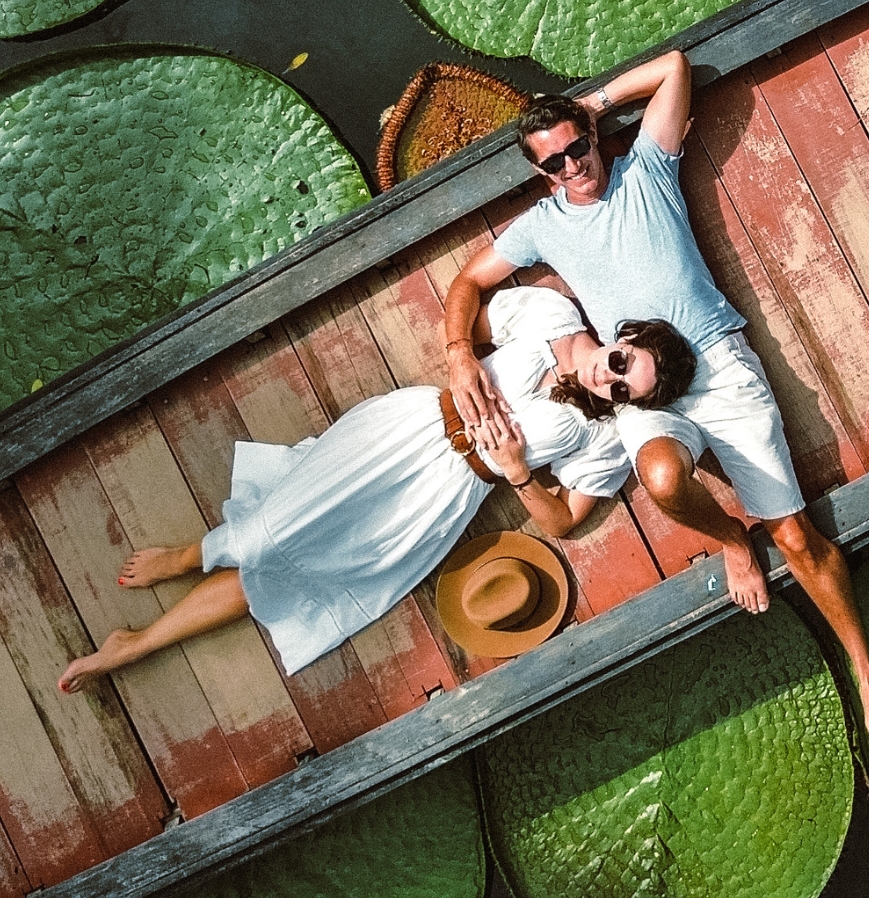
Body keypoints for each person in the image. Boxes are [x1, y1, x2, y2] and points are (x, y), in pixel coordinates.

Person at [441, 49, 869, 746]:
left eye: (576, 149)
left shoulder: (646, 168)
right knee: (660, 478)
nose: (572, 167)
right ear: (539, 173)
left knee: (797, 536)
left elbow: (675, 68)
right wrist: (457, 356)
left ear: (594, 138)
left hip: (716, 367)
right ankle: (729, 537)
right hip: (634, 378)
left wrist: (593, 104)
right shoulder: (542, 224)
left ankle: (863, 666)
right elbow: (466, 286)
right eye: (554, 163)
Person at [58, 287, 693, 693]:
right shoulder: (553, 316)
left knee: (293, 570)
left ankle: (136, 645)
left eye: (622, 392)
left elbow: (562, 522)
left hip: (443, 497)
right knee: (277, 527)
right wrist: (460, 357)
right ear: (623, 337)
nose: (610, 383)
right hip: (410, 427)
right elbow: (467, 291)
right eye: (619, 365)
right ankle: (191, 554)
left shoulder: (606, 438)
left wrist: (519, 473)